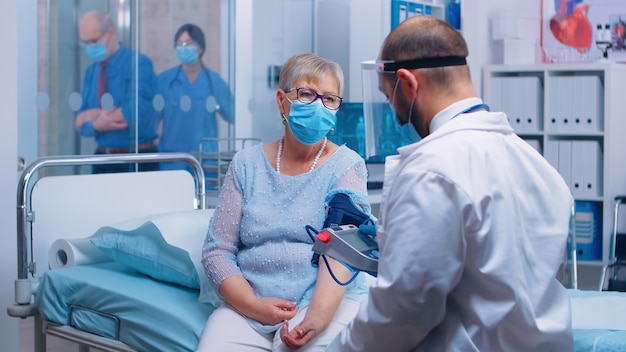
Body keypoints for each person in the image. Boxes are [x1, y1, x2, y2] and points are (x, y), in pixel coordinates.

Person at [328, 16, 574, 351]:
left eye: (389, 99)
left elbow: (401, 313)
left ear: (408, 83)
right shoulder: (539, 167)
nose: (397, 114)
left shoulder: (432, 170)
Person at [198, 53, 371, 351]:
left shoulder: (347, 167)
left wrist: (314, 319)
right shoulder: (246, 165)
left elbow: (343, 251)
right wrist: (253, 305)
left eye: (329, 99)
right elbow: (217, 251)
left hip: (322, 301)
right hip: (250, 303)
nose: (318, 105)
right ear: (282, 100)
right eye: (306, 94)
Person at [75, 11, 159, 173]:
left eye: (93, 41)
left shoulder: (138, 64)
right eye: (85, 43)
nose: (90, 47)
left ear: (110, 33)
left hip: (137, 158)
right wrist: (97, 123)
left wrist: (94, 117)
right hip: (102, 159)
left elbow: (133, 113)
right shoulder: (92, 71)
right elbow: (79, 124)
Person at [156, 23, 234, 171]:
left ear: (200, 47)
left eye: (189, 43)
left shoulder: (214, 81)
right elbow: (153, 121)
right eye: (180, 44)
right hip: (172, 159)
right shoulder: (165, 80)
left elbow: (233, 115)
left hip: (205, 160)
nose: (183, 47)